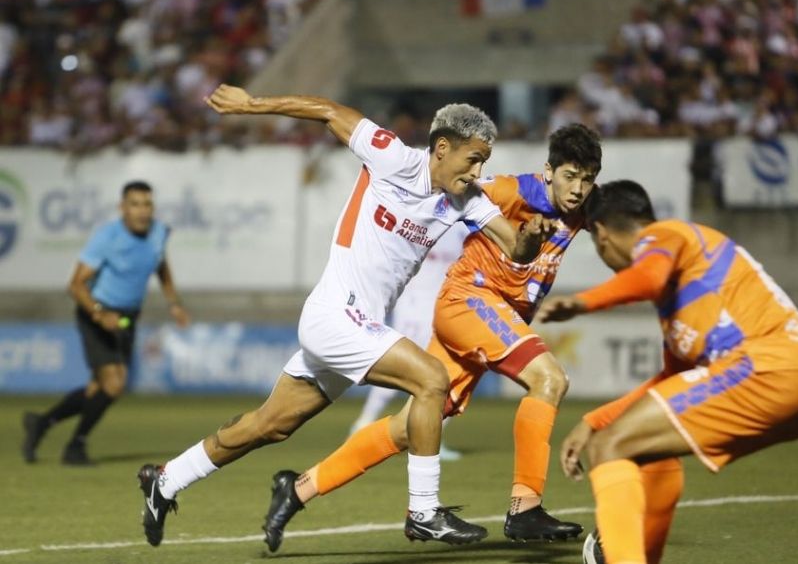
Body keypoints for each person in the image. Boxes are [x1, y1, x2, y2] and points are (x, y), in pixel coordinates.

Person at [137, 84, 552, 548]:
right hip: (334, 315)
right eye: (473, 159)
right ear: (441, 148)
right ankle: (424, 510)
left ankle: (166, 480)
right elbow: (328, 110)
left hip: (357, 325)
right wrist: (252, 105)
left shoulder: (467, 200)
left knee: (269, 425)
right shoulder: (394, 158)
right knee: (433, 380)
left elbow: (515, 247)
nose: (479, 171)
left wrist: (532, 238)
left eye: (484, 161)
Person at [261, 123, 603, 551]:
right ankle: (525, 506)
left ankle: (296, 490)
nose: (577, 188)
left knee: (409, 428)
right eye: (570, 176)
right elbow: (458, 187)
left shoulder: (584, 209)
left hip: (487, 318)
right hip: (471, 301)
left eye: (587, 179)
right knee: (549, 379)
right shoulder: (512, 191)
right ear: (549, 171)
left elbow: (623, 229)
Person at [536, 180, 798, 564]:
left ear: (602, 234)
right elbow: (671, 383)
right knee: (645, 448)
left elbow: (649, 277)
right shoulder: (683, 296)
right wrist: (595, 420)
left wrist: (582, 302)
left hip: (767, 367)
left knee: (610, 448)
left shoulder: (665, 235)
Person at [21, 181, 190, 466]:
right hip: (96, 314)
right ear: (122, 208)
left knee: (96, 390)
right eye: (135, 204)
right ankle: (76, 446)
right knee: (114, 384)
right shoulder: (107, 238)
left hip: (127, 317)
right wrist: (100, 314)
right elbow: (75, 285)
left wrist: (173, 302)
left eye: (147, 204)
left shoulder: (159, 233)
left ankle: (42, 422)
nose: (142, 211)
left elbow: (161, 266)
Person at [347, 222, 468, 463]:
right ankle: (364, 423)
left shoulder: (463, 228)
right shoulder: (421, 219)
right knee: (398, 370)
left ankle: (434, 435)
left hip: (444, 309)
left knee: (447, 375)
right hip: (412, 309)